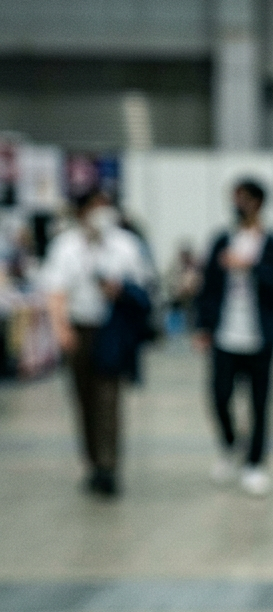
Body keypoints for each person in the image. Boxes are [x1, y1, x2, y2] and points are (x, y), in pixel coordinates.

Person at [41, 188, 153, 497]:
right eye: (95, 206)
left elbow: (143, 286)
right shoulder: (65, 246)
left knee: (109, 398)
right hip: (79, 328)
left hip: (111, 329)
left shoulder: (125, 245)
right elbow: (55, 290)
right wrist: (62, 329)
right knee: (84, 399)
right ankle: (92, 463)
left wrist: (120, 290)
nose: (102, 213)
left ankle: (109, 467)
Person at [194, 179, 273, 496]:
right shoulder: (222, 239)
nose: (238, 204)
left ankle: (255, 463)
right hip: (225, 335)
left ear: (258, 202)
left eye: (244, 198)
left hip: (261, 335)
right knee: (219, 396)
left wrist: (249, 265)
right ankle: (230, 444)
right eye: (235, 198)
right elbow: (208, 286)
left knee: (259, 402)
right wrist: (203, 327)